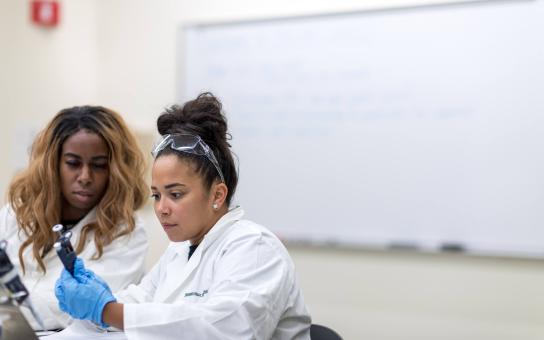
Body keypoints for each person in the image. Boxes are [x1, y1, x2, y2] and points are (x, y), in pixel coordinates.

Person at [55, 93, 311, 339]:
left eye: (175, 194)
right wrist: (97, 300)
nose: (161, 208)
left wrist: (108, 310)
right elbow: (140, 301)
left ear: (217, 195)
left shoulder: (255, 248)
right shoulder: (178, 252)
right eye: (156, 195)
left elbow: (224, 330)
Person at [0, 106, 149, 330]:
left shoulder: (127, 231)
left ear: (115, 170)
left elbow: (70, 308)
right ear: (53, 164)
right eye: (73, 163)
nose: (85, 177)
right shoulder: (17, 212)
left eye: (99, 165)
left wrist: (10, 309)